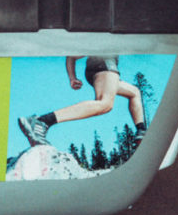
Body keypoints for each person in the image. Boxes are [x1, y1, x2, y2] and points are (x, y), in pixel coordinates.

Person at [16, 56, 146, 149]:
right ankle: (43, 121)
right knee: (105, 104)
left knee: (134, 92)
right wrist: (72, 78)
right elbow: (72, 56)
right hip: (104, 64)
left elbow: (71, 57)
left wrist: (72, 78)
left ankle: (142, 131)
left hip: (101, 67)